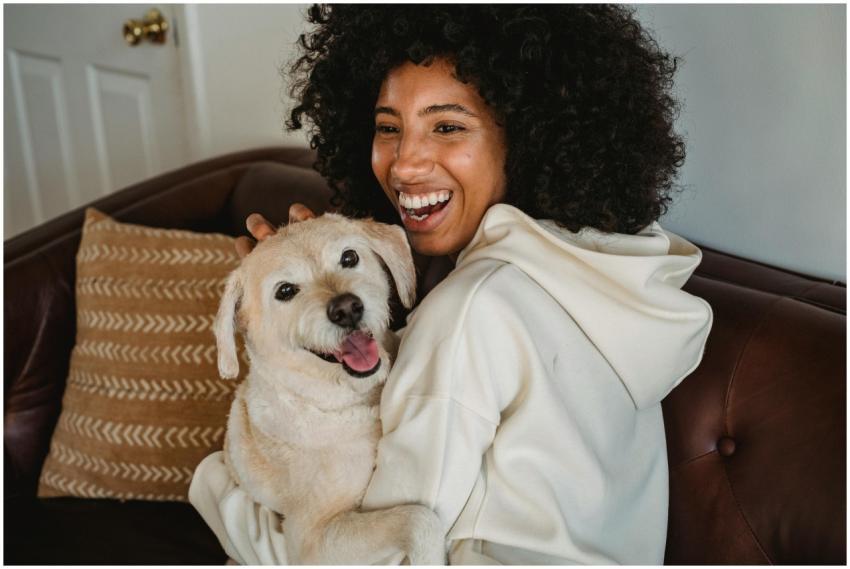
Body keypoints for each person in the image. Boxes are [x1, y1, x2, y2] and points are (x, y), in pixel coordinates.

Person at [189, 4, 713, 564]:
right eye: (388, 128)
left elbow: (383, 558)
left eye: (447, 126)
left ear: (527, 135)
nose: (404, 164)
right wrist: (313, 272)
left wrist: (216, 490)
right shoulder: (601, 283)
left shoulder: (471, 310)